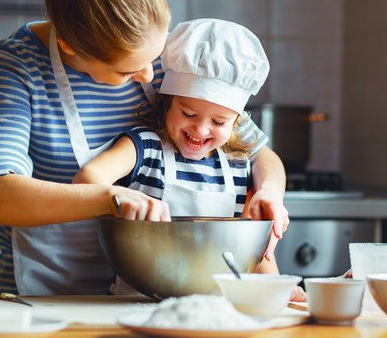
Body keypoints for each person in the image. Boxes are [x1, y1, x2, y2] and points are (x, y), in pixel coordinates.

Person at [0, 0, 289, 296]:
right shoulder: (20, 65)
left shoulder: (170, 60)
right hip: (46, 298)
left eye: (155, 56)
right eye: (127, 72)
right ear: (71, 47)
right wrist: (109, 198)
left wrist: (269, 192)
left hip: (146, 299)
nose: (150, 75)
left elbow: (256, 152)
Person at [73, 18, 305, 300]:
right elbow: (87, 179)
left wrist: (268, 194)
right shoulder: (145, 147)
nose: (201, 129)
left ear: (237, 123)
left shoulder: (237, 162)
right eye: (188, 114)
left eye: (219, 121)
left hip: (216, 307)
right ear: (167, 102)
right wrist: (119, 198)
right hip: (137, 301)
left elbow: (267, 161)